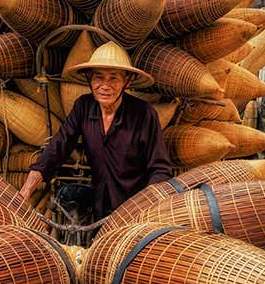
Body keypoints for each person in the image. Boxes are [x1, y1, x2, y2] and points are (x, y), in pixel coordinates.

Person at [18, 41, 172, 219]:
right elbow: (58, 146)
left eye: (113, 78)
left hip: (135, 209)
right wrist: (26, 191)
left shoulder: (144, 114)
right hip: (99, 205)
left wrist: (144, 208)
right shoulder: (83, 107)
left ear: (126, 81)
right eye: (99, 77)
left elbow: (160, 170)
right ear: (89, 79)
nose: (105, 86)